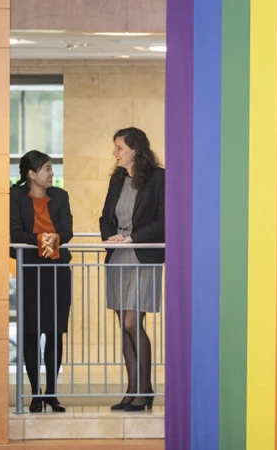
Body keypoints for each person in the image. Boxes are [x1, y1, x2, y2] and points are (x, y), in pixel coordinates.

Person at [100, 127, 164, 412]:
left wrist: (131, 238)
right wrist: (113, 236)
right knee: (123, 328)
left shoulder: (158, 178)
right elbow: (105, 217)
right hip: (118, 257)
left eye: (119, 148)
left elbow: (164, 221)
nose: (115, 153)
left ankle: (145, 389)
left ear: (135, 150)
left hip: (142, 256)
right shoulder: (117, 180)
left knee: (131, 323)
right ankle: (132, 390)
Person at [10, 150, 73, 413]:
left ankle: (51, 393)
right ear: (32, 174)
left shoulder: (60, 196)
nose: (52, 173)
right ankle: (35, 394)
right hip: (29, 270)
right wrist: (44, 242)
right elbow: (13, 233)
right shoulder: (14, 197)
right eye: (47, 169)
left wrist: (41, 241)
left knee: (55, 331)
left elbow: (67, 231)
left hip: (56, 270)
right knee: (30, 333)